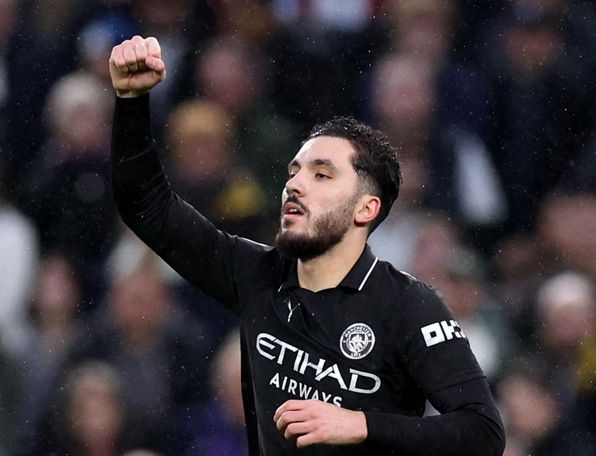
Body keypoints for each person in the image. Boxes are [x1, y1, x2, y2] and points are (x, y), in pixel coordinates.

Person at [109, 35, 505, 455]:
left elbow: (483, 432)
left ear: (365, 209)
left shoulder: (408, 306)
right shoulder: (257, 276)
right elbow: (147, 206)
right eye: (294, 171)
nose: (295, 185)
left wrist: (361, 423)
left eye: (321, 175)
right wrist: (131, 100)